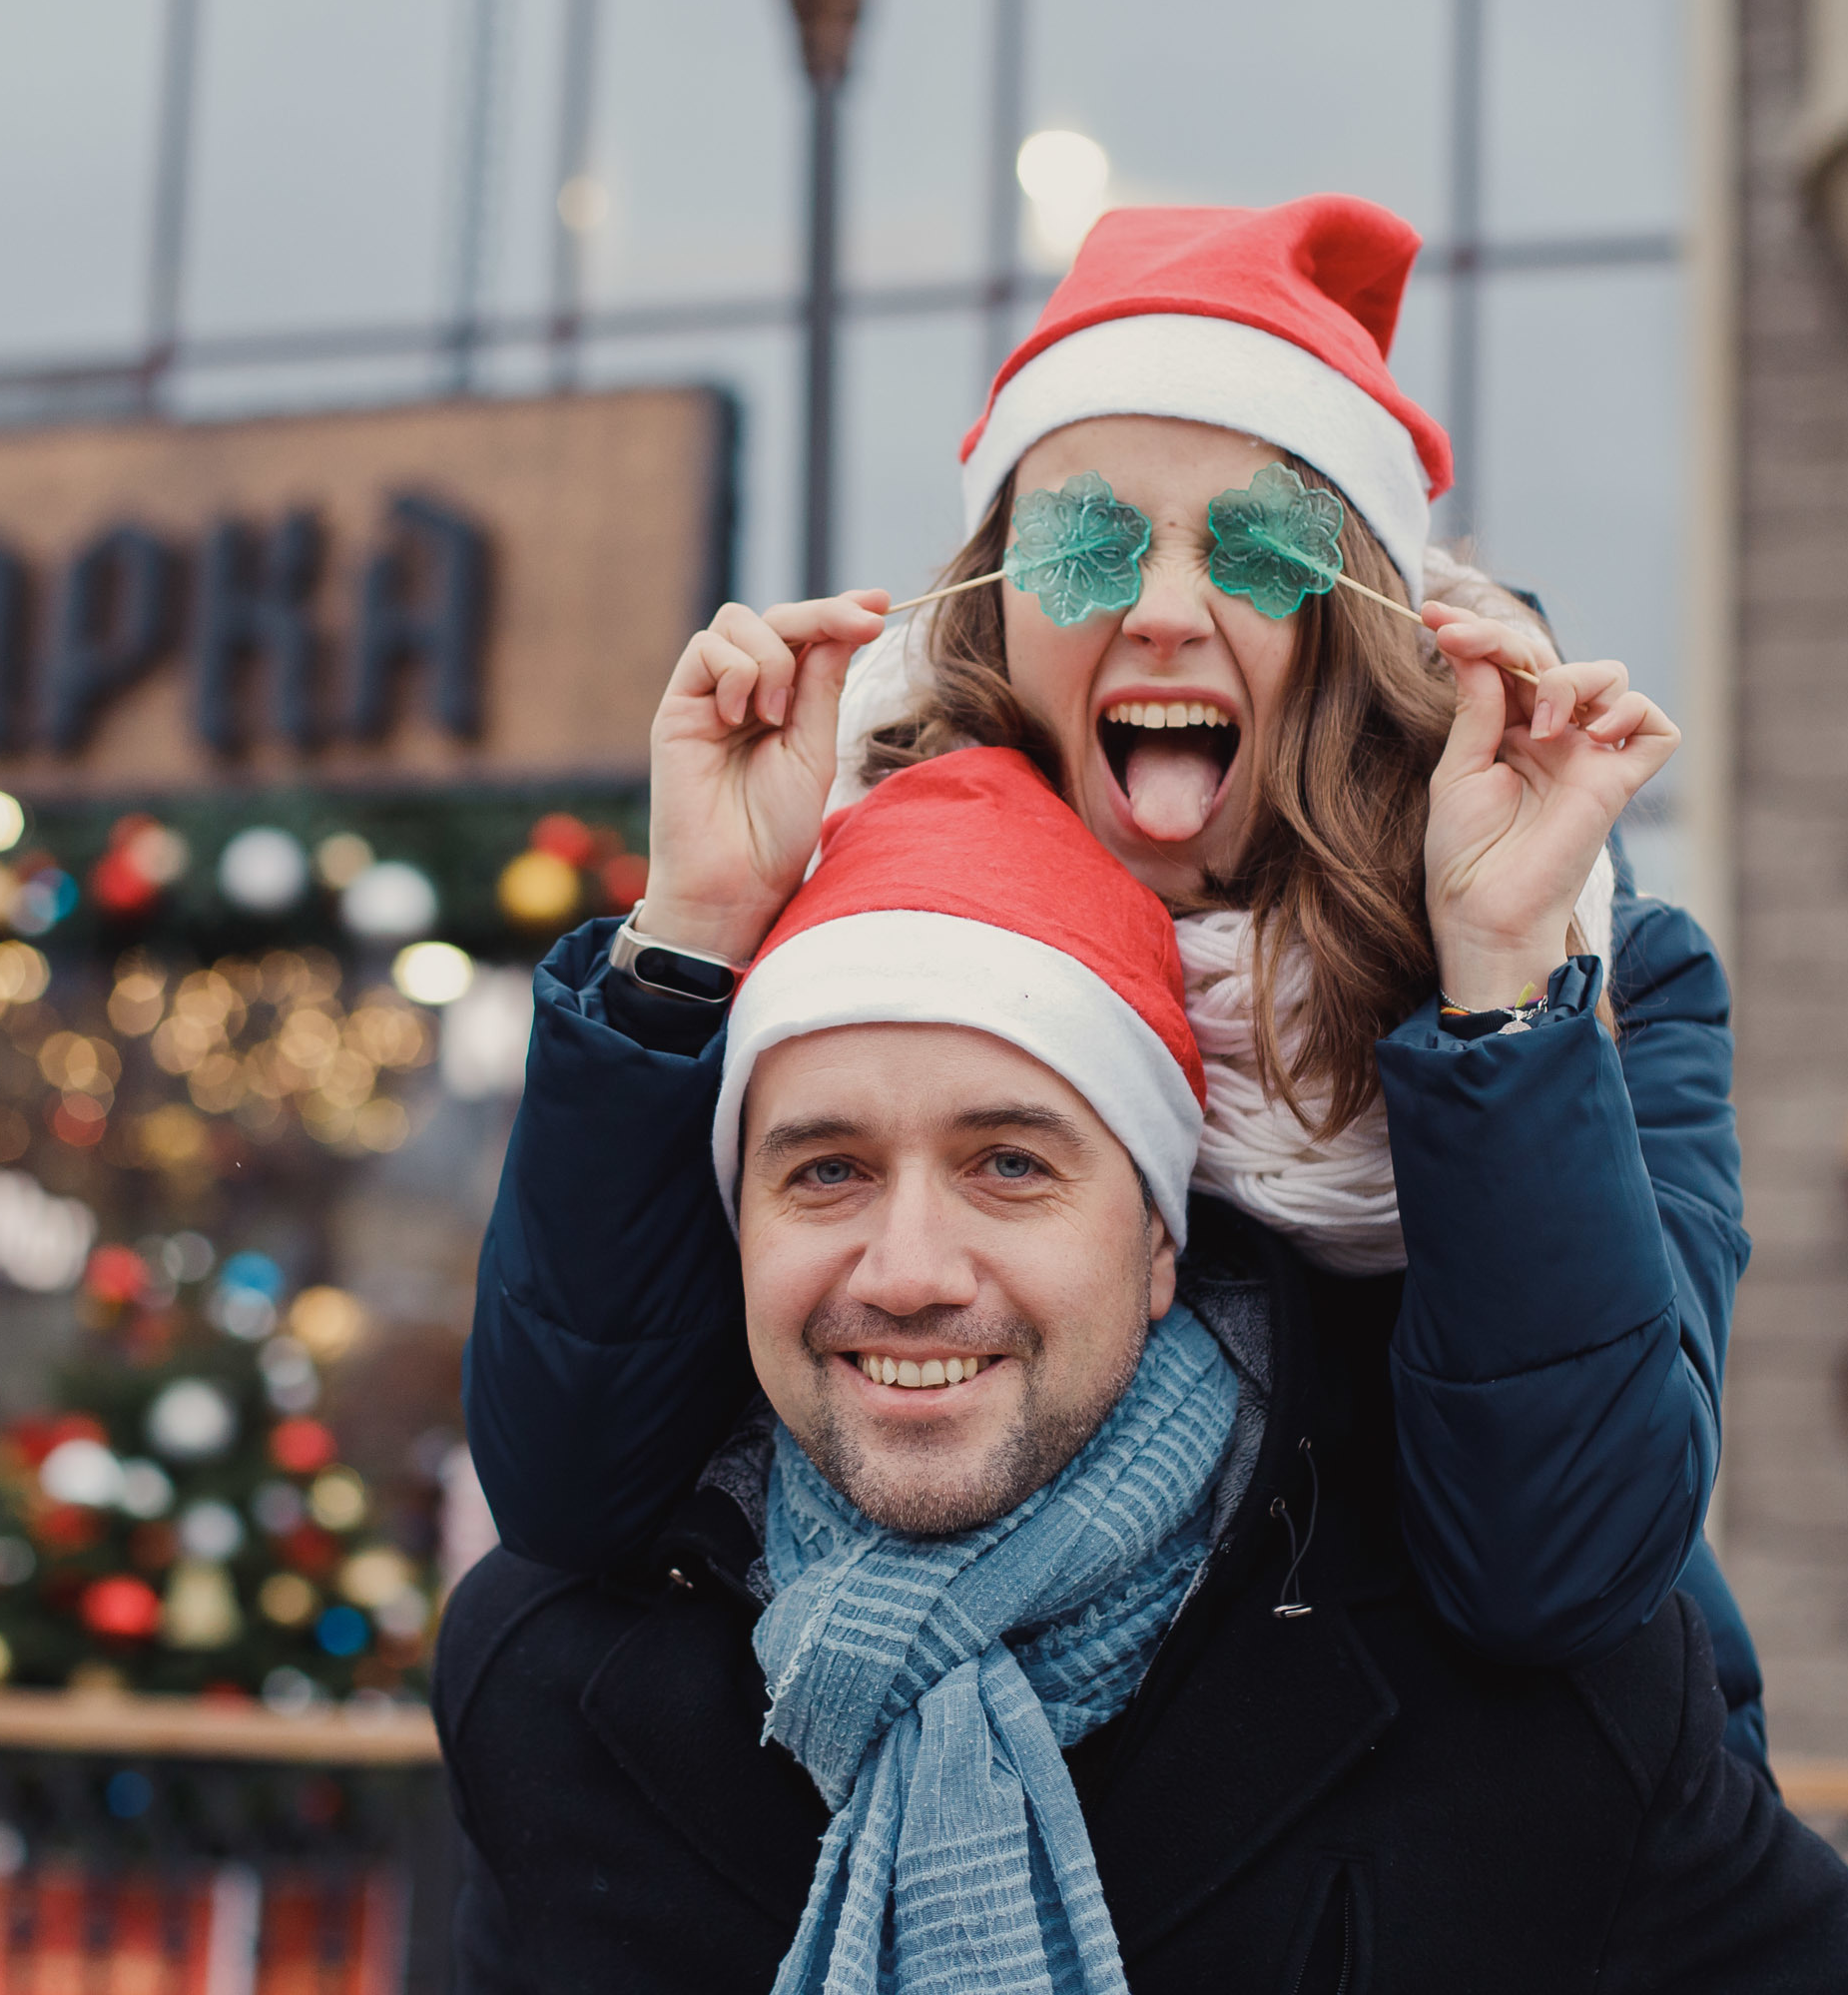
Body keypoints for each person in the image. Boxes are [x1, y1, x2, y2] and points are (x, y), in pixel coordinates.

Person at [463, 192, 1767, 1761]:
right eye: (1083, 542)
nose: (1159, 611)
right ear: (999, 598)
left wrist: (1497, 993)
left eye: (1257, 545)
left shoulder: (1599, 966)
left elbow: (1562, 1570)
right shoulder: (836, 907)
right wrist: (687, 939)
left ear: (1362, 602)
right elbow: (572, 1479)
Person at [436, 749, 1848, 1994]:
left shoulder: (1542, 1720)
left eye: (1008, 1164)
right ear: (736, 1225)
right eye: (824, 1172)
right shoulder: (549, 1683)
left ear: (1159, 1243)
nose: (906, 1269)